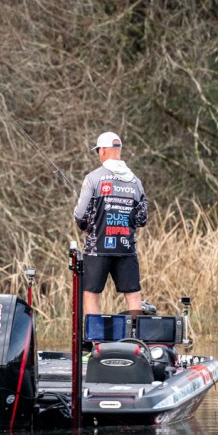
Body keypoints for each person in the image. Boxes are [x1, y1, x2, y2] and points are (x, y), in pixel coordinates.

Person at [73, 131, 148, 316]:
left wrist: (85, 226)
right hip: (126, 248)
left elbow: (80, 214)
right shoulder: (135, 182)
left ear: (104, 151)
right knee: (133, 295)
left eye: (98, 150)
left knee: (91, 294)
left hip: (97, 248)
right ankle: (136, 340)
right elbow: (142, 218)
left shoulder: (93, 178)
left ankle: (96, 341)